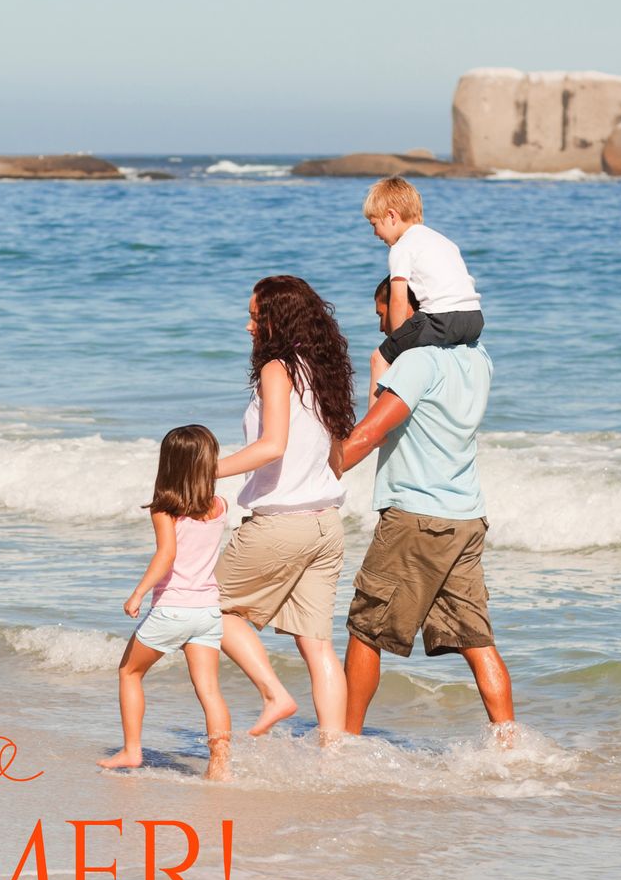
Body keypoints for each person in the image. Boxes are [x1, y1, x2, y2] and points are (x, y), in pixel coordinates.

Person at [337, 278, 515, 736]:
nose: (380, 324)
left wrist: (320, 469)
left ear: (408, 310)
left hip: (416, 517)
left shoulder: (418, 362)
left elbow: (370, 431)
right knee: (476, 638)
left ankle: (342, 741)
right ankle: (510, 742)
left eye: (382, 312)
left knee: (366, 628)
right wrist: (385, 363)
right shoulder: (478, 359)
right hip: (466, 518)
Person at [215, 275, 356, 738]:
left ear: (277, 320)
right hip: (326, 526)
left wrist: (202, 471)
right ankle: (333, 755)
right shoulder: (326, 371)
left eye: (256, 317)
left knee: (206, 606)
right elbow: (338, 459)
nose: (248, 327)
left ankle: (275, 695)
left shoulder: (278, 369)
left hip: (282, 525)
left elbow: (272, 446)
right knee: (318, 646)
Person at [98, 424, 232, 778]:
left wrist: (138, 593)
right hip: (208, 611)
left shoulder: (165, 509)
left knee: (129, 672)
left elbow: (167, 555)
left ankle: (131, 750)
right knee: (209, 690)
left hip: (173, 609)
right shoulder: (220, 506)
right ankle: (219, 764)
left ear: (169, 464)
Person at [363, 176, 484, 407]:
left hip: (442, 318)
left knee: (378, 358)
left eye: (374, 224)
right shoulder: (443, 241)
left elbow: (398, 298)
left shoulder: (402, 247)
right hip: (474, 320)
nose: (375, 234)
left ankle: (374, 426)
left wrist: (396, 341)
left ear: (391, 216)